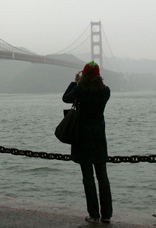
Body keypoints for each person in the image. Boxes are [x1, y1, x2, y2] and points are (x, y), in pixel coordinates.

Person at [62, 61, 112, 223]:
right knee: (102, 176)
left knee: (88, 177)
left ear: (84, 74)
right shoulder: (106, 91)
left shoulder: (79, 90)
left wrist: (74, 81)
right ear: (98, 75)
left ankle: (94, 215)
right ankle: (107, 215)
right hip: (98, 138)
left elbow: (65, 99)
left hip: (82, 137)